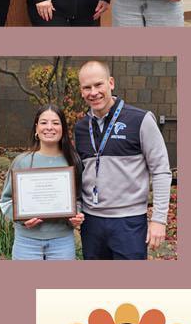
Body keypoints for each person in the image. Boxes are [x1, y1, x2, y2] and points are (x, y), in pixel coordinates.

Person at [73, 60, 173, 260]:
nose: (93, 92)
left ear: (111, 83)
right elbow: (80, 173)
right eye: (87, 87)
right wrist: (76, 208)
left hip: (128, 223)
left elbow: (161, 170)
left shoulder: (141, 120)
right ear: (81, 91)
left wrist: (159, 220)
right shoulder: (81, 128)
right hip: (91, 223)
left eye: (98, 84)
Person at [0, 105, 86, 260]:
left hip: (62, 242)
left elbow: (79, 199)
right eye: (44, 122)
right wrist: (22, 218)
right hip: (27, 242)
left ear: (63, 128)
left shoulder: (73, 161)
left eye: (56, 123)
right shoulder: (22, 162)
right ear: (36, 128)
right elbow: (6, 201)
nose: (49, 127)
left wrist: (76, 214)